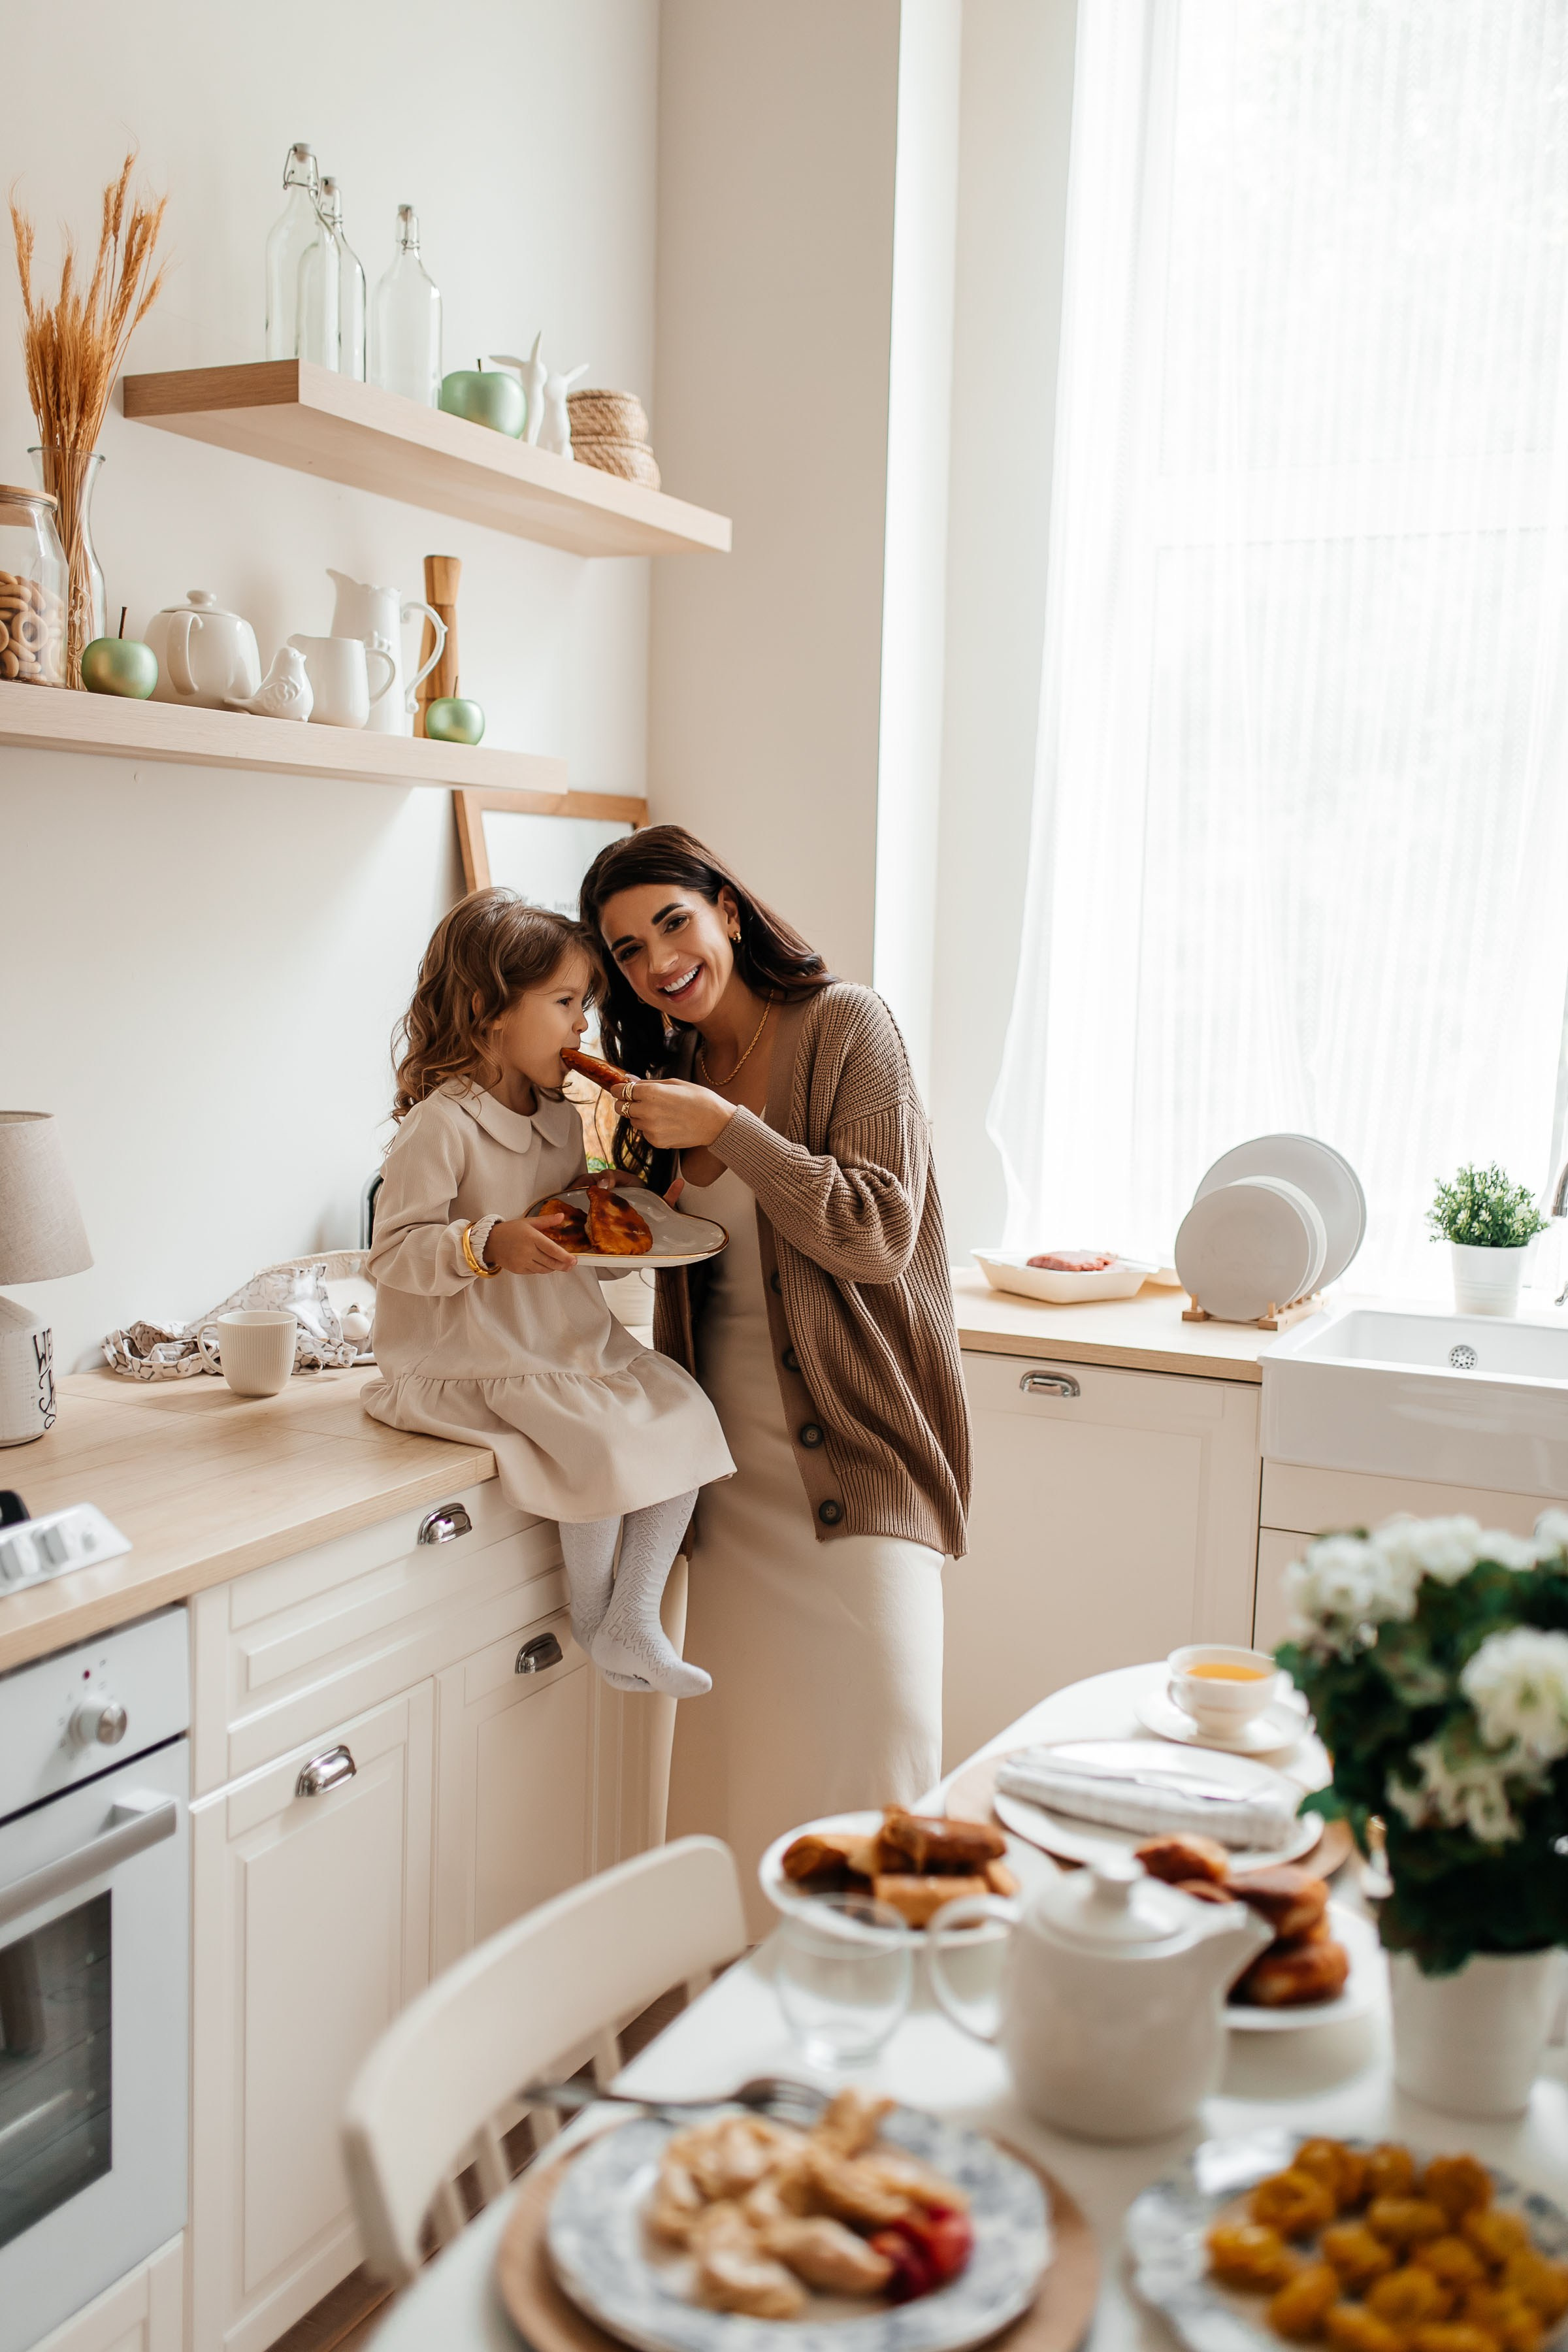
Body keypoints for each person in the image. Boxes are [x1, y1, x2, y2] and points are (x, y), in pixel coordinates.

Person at [579, 827, 971, 1923]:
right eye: (625, 950)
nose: (657, 960)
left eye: (671, 922)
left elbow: (879, 1232)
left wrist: (732, 1131)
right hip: (730, 1484)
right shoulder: (666, 1078)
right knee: (737, 1802)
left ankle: (875, 2059)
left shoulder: (848, 1024)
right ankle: (744, 2068)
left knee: (879, 1780)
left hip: (856, 1463)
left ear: (728, 912)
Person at [363, 888, 733, 1698]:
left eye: (586, 1006)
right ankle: (596, 1615)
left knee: (685, 1413)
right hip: (471, 1356)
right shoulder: (442, 1124)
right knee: (598, 1444)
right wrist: (485, 1242)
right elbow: (390, 1253)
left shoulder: (563, 1117)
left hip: (560, 1341)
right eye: (566, 1003)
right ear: (486, 1011)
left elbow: (570, 1208)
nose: (581, 1028)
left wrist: (619, 1205)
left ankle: (630, 1619)